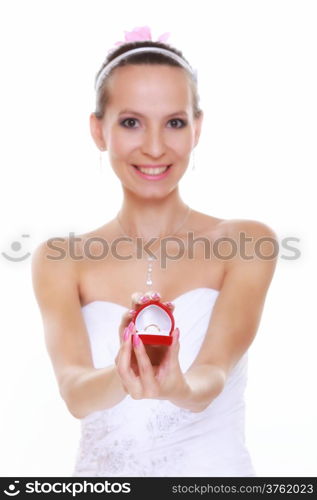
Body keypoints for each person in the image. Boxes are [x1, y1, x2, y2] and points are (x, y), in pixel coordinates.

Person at [31, 26, 278, 477]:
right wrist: (122, 376)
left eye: (175, 123)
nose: (155, 146)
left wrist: (177, 386)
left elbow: (212, 377)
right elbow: (75, 393)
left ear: (197, 128)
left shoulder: (247, 243)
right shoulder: (59, 259)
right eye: (131, 122)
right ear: (98, 130)